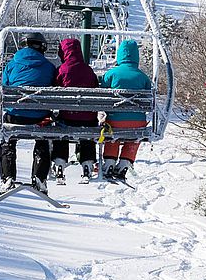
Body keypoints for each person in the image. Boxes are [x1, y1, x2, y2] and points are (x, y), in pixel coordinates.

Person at [0, 32, 56, 194]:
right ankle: (40, 177)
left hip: (14, 116)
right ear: (42, 47)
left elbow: (4, 87)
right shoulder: (49, 67)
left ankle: (7, 177)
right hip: (39, 117)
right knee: (42, 139)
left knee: (8, 141)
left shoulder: (11, 65)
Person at [100, 38, 152, 180]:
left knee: (113, 135)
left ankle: (110, 162)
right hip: (137, 123)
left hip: (114, 122)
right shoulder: (143, 77)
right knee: (134, 138)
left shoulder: (111, 74)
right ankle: (125, 162)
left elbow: (101, 96)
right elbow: (150, 100)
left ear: (120, 55)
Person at [51, 38, 99, 181]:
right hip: (88, 120)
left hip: (66, 119)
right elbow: (96, 89)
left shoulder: (61, 70)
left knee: (61, 128)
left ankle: (59, 162)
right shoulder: (88, 70)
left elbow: (54, 89)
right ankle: (87, 163)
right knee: (88, 128)